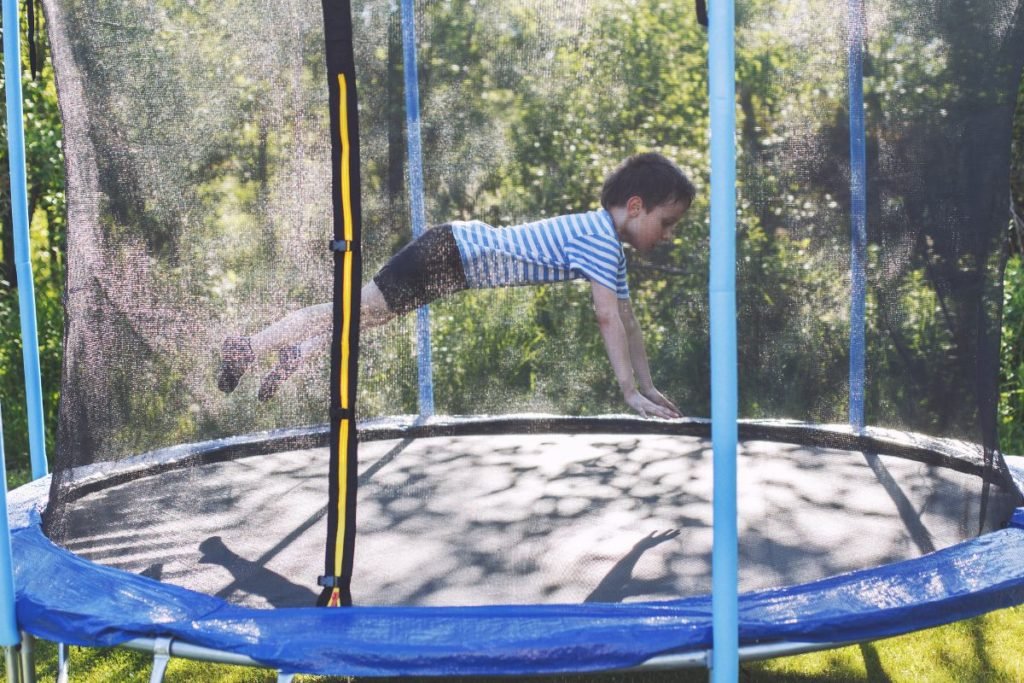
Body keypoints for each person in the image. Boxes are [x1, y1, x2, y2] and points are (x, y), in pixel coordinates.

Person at [217, 152, 695, 418]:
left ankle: (297, 353)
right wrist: (629, 393)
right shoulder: (599, 240)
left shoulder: (604, 241)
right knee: (352, 308)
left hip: (454, 265)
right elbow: (606, 316)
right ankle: (249, 346)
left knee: (370, 317)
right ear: (635, 207)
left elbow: (628, 321)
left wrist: (649, 388)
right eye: (667, 222)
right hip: (450, 252)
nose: (668, 235)